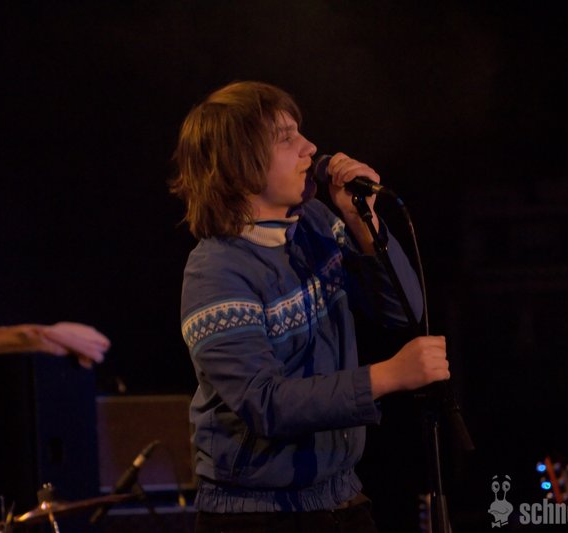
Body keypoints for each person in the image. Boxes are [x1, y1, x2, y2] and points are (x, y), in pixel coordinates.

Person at [170, 81, 450, 532]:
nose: (310, 147)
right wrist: (387, 376)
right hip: (258, 516)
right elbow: (267, 403)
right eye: (286, 138)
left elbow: (402, 310)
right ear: (240, 164)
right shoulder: (216, 272)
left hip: (342, 496)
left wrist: (362, 221)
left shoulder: (314, 222)